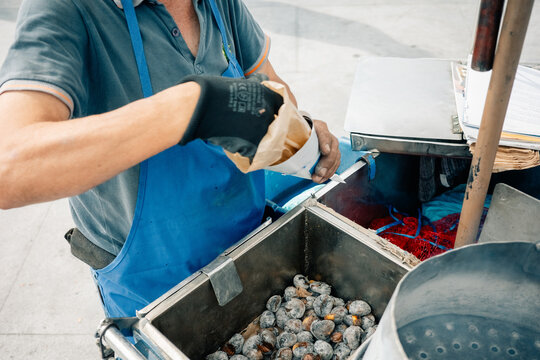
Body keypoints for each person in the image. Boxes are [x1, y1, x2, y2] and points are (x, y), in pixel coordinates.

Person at [0, 0, 341, 318]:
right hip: (149, 286)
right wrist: (194, 107)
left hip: (251, 252)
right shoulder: (67, 9)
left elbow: (270, 89)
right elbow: (10, 166)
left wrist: (301, 132)